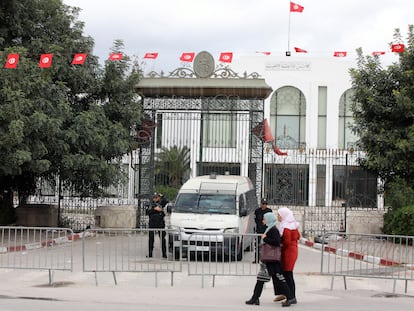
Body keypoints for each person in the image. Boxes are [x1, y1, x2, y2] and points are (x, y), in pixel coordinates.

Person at [245, 212, 295, 307]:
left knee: (278, 279)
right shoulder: (269, 228)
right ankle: (255, 298)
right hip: (269, 260)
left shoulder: (273, 230)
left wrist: (265, 238)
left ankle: (290, 297)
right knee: (261, 279)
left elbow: (276, 242)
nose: (263, 220)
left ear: (269, 220)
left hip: (272, 261)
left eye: (264, 219)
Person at [275, 207, 300, 304]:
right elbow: (298, 236)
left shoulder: (286, 227)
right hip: (292, 251)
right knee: (288, 274)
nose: (278, 217)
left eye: (279, 215)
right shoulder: (292, 225)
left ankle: (291, 297)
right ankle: (290, 295)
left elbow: (287, 241)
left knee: (288, 274)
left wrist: (279, 245)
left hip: (288, 253)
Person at [146, 193, 167, 258]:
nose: (156, 199)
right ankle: (150, 253)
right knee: (151, 239)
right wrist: (155, 209)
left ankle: (164, 254)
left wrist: (162, 196)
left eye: (157, 197)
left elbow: (165, 210)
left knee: (162, 239)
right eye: (155, 197)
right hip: (152, 223)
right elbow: (147, 212)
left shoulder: (162, 204)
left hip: (160, 224)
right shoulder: (150, 204)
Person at [252, 198, 272, 263]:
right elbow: (256, 220)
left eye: (265, 204)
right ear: (261, 204)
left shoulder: (269, 211)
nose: (264, 205)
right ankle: (257, 259)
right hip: (259, 230)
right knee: (257, 245)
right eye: (263, 204)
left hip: (266, 231)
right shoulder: (257, 211)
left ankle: (266, 259)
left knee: (266, 245)